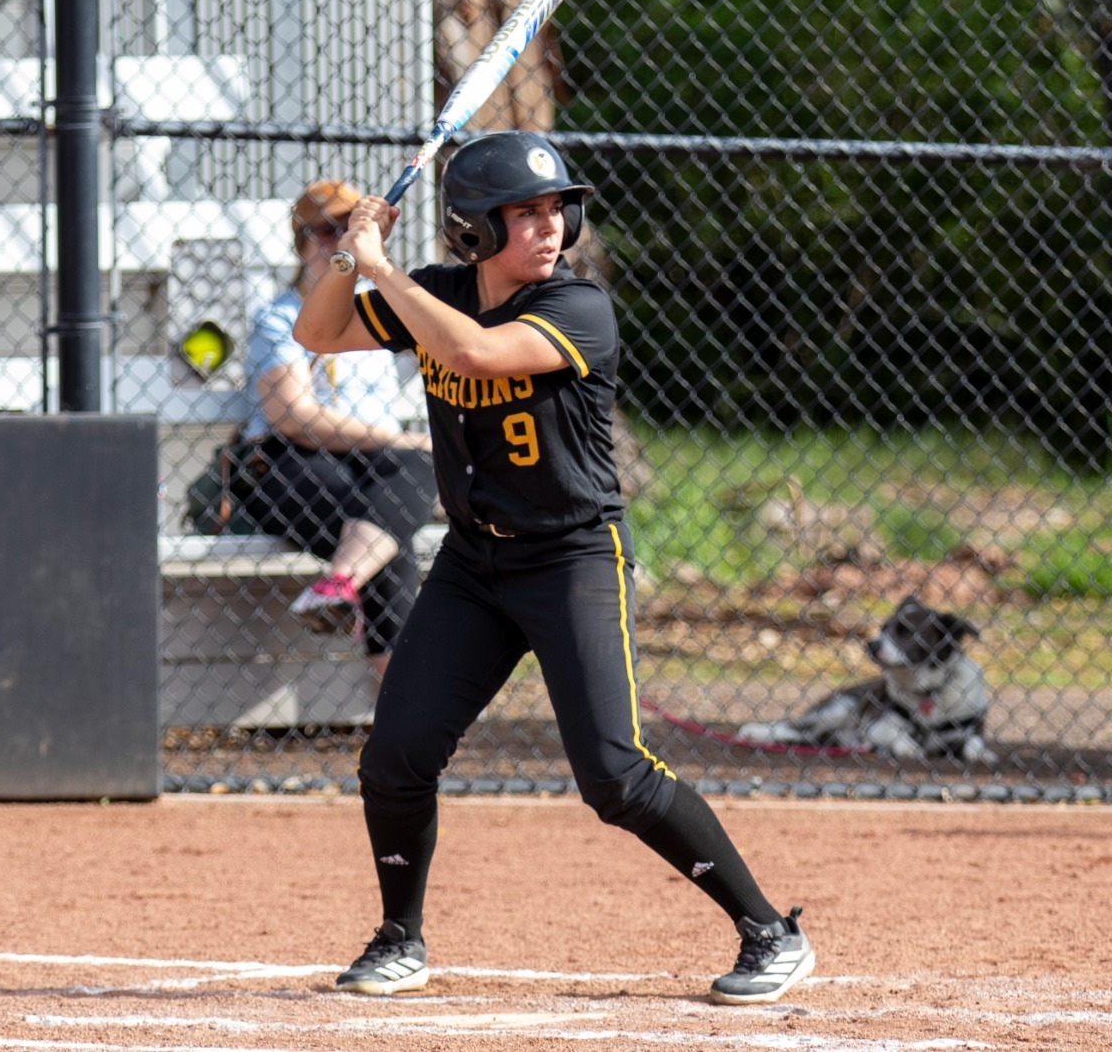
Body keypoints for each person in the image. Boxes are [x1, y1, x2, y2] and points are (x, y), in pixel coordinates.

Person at [290, 131, 815, 1005]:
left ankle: (769, 929)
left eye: (553, 210)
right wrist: (354, 253)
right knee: (395, 754)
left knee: (614, 774)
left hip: (572, 555)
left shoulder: (579, 307)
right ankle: (400, 936)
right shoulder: (444, 291)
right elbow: (317, 330)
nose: (547, 227)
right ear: (472, 231)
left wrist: (384, 270)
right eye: (522, 214)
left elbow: (472, 354)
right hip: (472, 561)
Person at [236, 179, 437, 688]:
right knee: (387, 533)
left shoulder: (379, 306)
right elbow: (292, 417)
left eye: (351, 228)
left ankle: (339, 584)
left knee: (400, 491)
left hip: (375, 466)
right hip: (290, 463)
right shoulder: (280, 317)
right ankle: (404, 701)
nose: (338, 241)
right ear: (300, 243)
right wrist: (402, 441)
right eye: (324, 232)